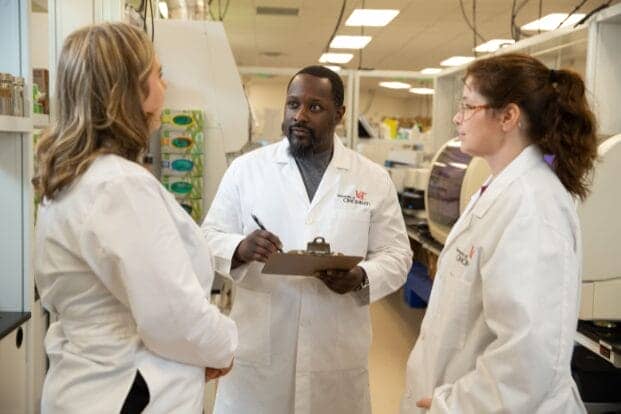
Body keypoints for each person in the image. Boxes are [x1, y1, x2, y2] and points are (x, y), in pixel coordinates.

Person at [33, 22, 237, 413]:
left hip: (87, 383)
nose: (165, 87)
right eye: (158, 75)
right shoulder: (119, 186)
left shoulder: (73, 177)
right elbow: (174, 316)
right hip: (130, 389)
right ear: (129, 92)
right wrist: (223, 346)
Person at [202, 65, 412, 413]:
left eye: (314, 107)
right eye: (292, 104)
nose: (299, 115)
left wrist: (361, 278)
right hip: (261, 359)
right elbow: (208, 237)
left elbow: (397, 255)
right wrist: (241, 248)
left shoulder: (372, 179)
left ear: (339, 115)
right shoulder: (247, 170)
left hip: (335, 356)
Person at [401, 53, 598, 413]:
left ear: (508, 116)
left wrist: (457, 405)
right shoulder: (500, 188)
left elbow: (528, 354)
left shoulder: (533, 205)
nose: (457, 117)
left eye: (468, 106)